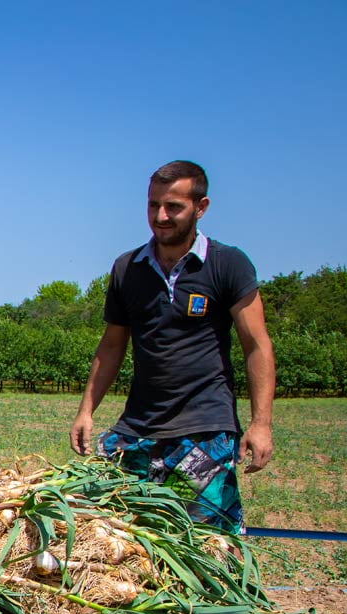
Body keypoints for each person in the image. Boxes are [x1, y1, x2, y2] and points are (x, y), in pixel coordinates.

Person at [69, 159, 275, 531]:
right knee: (118, 540)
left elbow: (256, 345)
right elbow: (112, 346)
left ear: (201, 207)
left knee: (210, 545)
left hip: (205, 428)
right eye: (153, 205)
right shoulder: (127, 268)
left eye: (173, 207)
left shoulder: (227, 264)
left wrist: (261, 424)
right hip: (137, 430)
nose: (160, 216)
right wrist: (86, 410)